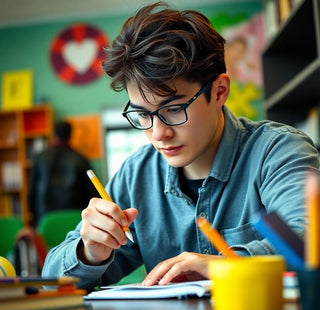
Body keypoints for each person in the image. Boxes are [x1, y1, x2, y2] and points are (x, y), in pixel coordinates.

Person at [42, 2, 319, 290]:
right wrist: (89, 252)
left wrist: (227, 266)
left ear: (220, 91)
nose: (158, 133)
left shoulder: (278, 151)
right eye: (143, 114)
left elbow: (309, 241)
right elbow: (51, 284)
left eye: (174, 109)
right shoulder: (136, 174)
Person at [28, 120, 97, 227]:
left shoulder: (41, 158)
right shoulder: (81, 159)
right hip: (75, 219)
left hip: (45, 218)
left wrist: (34, 219)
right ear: (70, 135)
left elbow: (32, 191)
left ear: (54, 134)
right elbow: (92, 193)